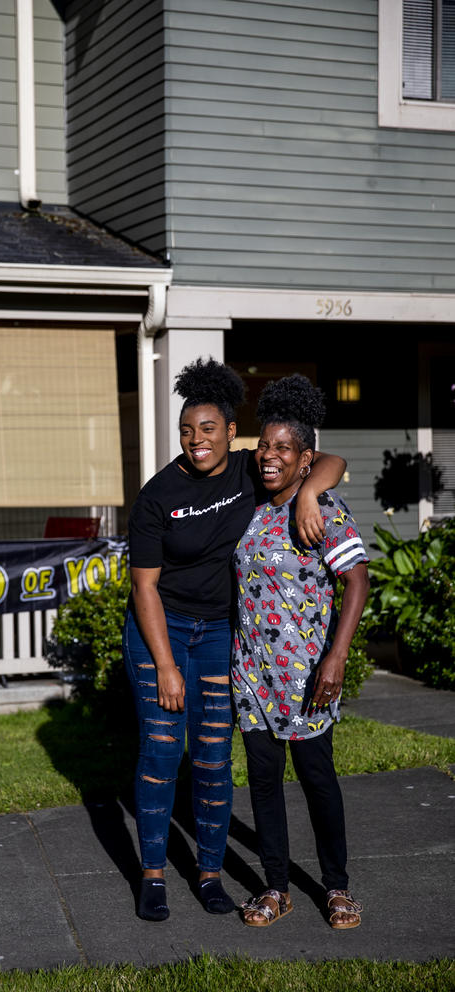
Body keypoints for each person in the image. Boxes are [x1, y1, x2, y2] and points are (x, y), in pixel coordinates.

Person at [123, 358, 346, 922]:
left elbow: (333, 460)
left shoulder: (253, 467)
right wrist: (167, 666)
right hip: (163, 628)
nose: (195, 440)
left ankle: (208, 873)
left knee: (214, 757)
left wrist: (308, 495)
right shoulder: (158, 495)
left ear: (229, 432)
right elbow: (144, 588)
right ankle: (152, 875)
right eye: (186, 430)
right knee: (162, 750)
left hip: (221, 631)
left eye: (206, 429)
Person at [231, 374, 369, 931]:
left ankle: (336, 888)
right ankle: (275, 887)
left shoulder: (324, 510)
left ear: (304, 458)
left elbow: (357, 582)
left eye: (282, 448)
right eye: (264, 445)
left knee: (317, 780)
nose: (268, 455)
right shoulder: (251, 505)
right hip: (252, 674)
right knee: (263, 782)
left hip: (309, 674)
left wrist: (336, 658)